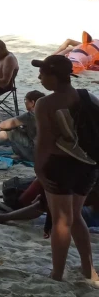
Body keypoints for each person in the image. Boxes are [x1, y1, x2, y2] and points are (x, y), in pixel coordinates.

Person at [32, 54, 99, 282]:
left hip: (61, 165)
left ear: (53, 76)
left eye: (42, 73)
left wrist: (39, 170)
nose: (39, 77)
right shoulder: (86, 96)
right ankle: (88, 268)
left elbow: (45, 143)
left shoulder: (45, 103)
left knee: (61, 220)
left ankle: (57, 273)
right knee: (75, 216)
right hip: (88, 165)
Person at [0, 90, 44, 160]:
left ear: (32, 102)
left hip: (34, 155)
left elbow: (3, 125)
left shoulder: (30, 115)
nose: (25, 102)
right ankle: (18, 154)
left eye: (25, 100)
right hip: (45, 155)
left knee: (9, 131)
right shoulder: (47, 114)